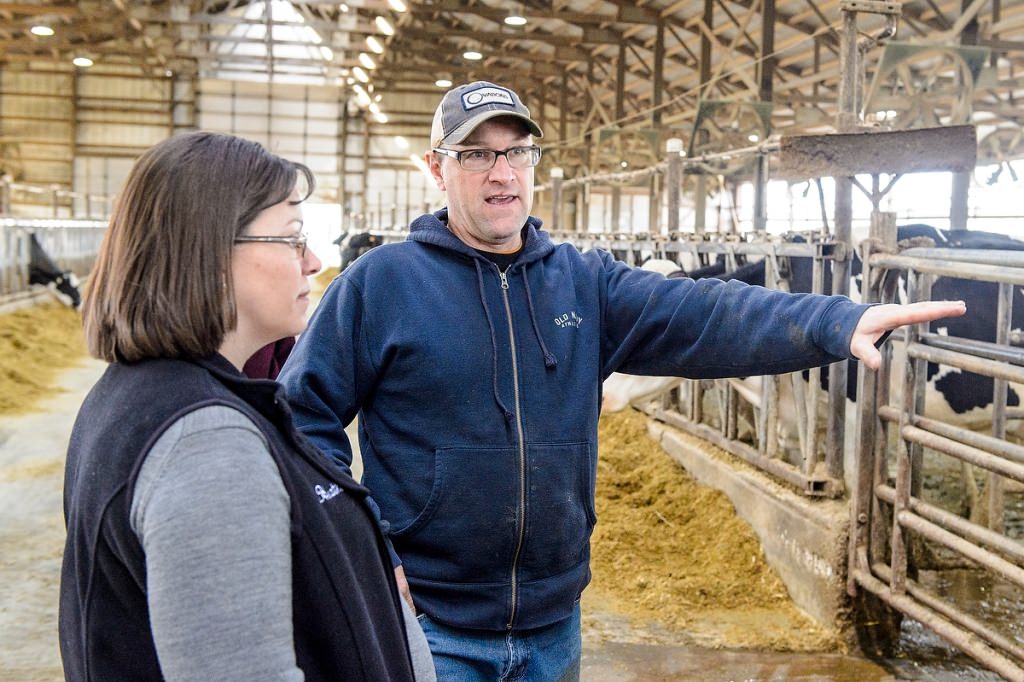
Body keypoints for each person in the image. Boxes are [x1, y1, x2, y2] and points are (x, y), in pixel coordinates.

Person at [277, 81, 966, 680]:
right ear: (437, 168)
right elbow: (303, 418)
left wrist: (838, 321)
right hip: (431, 628)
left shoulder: (583, 282)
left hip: (554, 626)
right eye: (476, 154)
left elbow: (706, 313)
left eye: (517, 152)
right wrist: (360, 544)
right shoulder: (381, 285)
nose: (502, 173)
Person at [59, 131, 434, 682]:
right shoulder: (206, 445)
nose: (313, 261)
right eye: (291, 238)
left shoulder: (147, 394)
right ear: (208, 251)